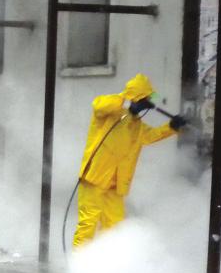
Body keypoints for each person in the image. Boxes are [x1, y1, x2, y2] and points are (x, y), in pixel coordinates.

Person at [72, 74, 187, 247]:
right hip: (95, 178)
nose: (146, 104)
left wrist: (171, 127)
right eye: (146, 98)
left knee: (114, 228)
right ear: (138, 98)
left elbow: (150, 136)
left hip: (115, 185)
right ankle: (78, 267)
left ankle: (105, 266)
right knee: (88, 224)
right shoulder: (112, 111)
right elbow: (98, 105)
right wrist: (127, 103)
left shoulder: (136, 125)